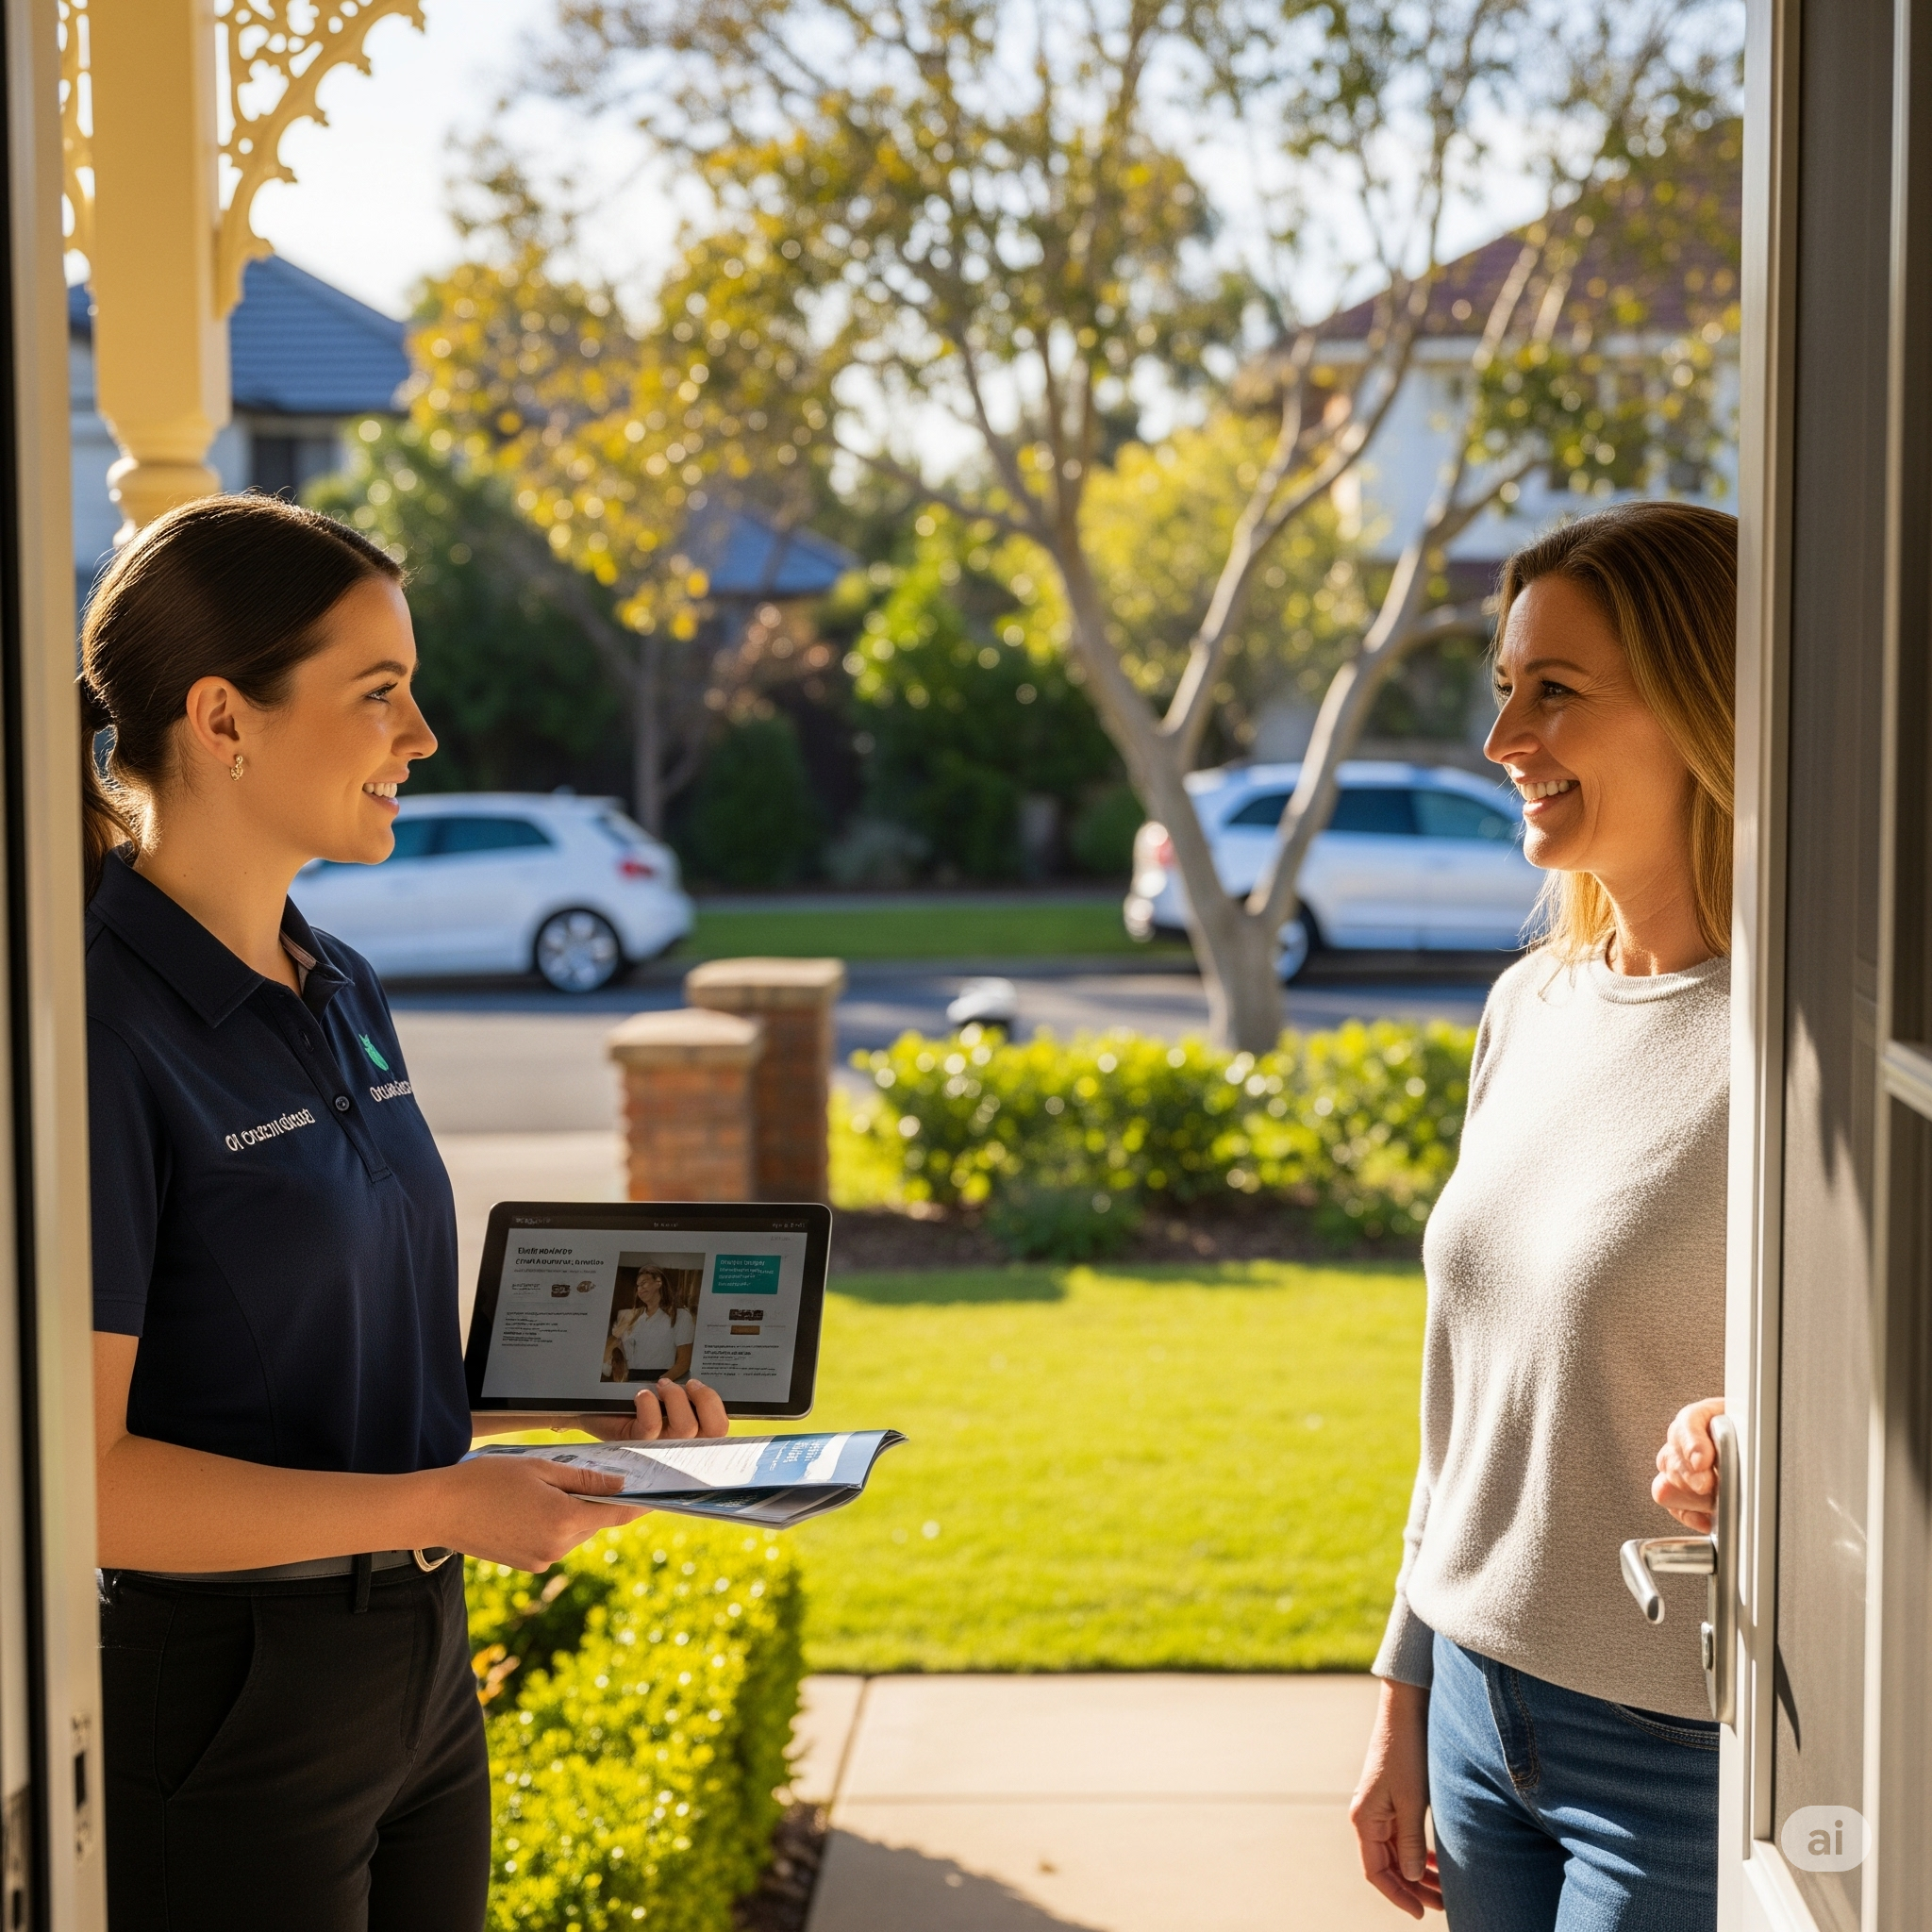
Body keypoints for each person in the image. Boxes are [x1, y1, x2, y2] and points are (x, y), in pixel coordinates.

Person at [85, 494, 729, 1932]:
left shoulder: (342, 983)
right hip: (226, 1705)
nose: (422, 735)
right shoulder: (103, 1030)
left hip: (419, 1671)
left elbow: (329, 1367)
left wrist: (540, 1435)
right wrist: (444, 1498)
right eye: (380, 694)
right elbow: (87, 1482)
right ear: (222, 719)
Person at [1349, 500, 1736, 1930]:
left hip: (1680, 1756)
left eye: (1555, 694)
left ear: (1706, 709)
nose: (1506, 740)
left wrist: (1753, 1442)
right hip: (1474, 1704)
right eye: (1506, 690)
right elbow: (1467, 1403)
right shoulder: (1532, 1005)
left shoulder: (1806, 1048)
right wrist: (1403, 1687)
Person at [616, 1269, 696, 1381]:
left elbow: (684, 1361)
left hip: (662, 1381)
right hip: (631, 1381)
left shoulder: (680, 1316)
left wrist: (661, 1382)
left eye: (644, 1283)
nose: (640, 1289)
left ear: (658, 1282)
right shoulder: (634, 1319)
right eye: (638, 1286)